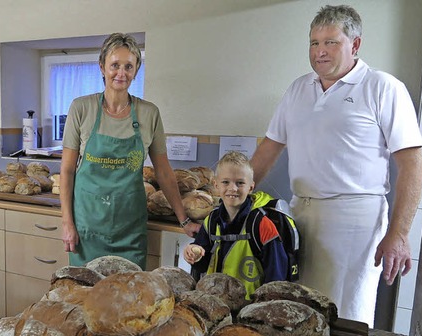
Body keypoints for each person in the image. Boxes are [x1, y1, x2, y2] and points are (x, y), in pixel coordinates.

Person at [250, 5, 422, 326]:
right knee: (297, 311)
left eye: (331, 42)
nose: (320, 52)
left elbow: (413, 164)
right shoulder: (298, 88)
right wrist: (234, 198)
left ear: (355, 45)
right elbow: (269, 147)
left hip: (354, 221)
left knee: (343, 315)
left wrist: (399, 234)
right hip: (299, 213)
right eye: (314, 43)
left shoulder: (383, 88)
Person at [60, 33, 200, 269]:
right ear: (102, 67)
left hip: (130, 229)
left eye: (128, 66)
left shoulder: (148, 113)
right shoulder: (81, 108)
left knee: (128, 299)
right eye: (115, 65)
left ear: (136, 70)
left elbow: (164, 173)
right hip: (88, 228)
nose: (121, 73)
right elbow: (66, 171)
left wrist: (184, 220)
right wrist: (67, 224)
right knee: (85, 297)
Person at [183, 151, 289, 298]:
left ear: (251, 187)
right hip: (215, 304)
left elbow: (276, 278)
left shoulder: (261, 225)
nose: (233, 188)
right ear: (216, 185)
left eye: (240, 183)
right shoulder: (211, 221)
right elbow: (201, 264)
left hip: (249, 308)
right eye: (226, 182)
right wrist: (193, 253)